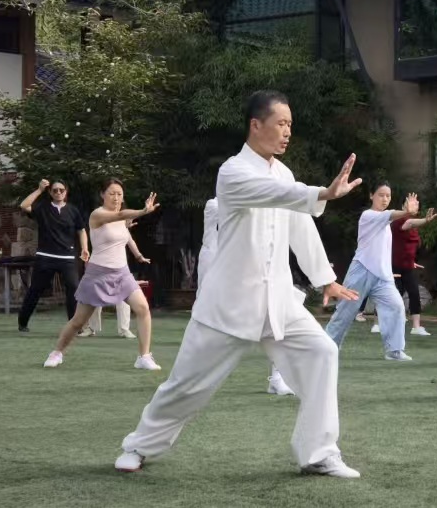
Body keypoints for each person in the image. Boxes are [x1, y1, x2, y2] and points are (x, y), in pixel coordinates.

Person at [116, 90, 362, 479]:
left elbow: (300, 225)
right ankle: (138, 446)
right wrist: (322, 193)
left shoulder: (284, 174)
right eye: (281, 124)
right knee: (186, 387)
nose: (287, 132)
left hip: (278, 303)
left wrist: (325, 279)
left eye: (290, 125)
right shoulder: (232, 173)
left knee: (322, 353)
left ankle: (318, 453)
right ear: (255, 125)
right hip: (227, 306)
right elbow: (275, 195)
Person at [43, 180, 160, 370]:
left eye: (119, 194)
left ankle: (144, 356)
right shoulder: (97, 215)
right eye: (112, 193)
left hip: (122, 273)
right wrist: (144, 211)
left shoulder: (122, 218)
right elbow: (120, 214)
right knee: (78, 321)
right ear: (102, 195)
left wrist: (138, 255)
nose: (116, 198)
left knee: (143, 308)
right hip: (98, 274)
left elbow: (126, 236)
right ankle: (57, 353)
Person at [198, 197, 295, 396]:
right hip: (217, 265)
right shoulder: (215, 204)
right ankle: (198, 376)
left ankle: (277, 378)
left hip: (247, 268)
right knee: (207, 323)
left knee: (275, 318)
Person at [323, 185, 422, 361]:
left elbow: (392, 224)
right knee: (345, 312)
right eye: (381, 195)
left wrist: (411, 215)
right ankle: (326, 348)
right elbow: (390, 215)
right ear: (371, 195)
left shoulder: (387, 223)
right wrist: (407, 212)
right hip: (361, 271)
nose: (385, 199)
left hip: (383, 276)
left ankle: (394, 350)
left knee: (396, 307)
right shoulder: (368, 215)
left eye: (388, 196)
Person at [17, 179, 89, 333]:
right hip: (45, 256)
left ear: (66, 192)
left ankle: (74, 326)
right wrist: (39, 190)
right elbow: (24, 205)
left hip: (67, 257)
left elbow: (81, 230)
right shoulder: (42, 208)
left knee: (73, 288)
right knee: (35, 290)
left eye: (61, 190)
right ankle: (22, 322)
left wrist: (85, 248)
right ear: (50, 192)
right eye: (55, 190)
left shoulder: (73, 210)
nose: (58, 192)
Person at [84, 231, 150, 338]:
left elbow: (130, 241)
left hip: (119, 266)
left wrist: (139, 256)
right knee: (95, 295)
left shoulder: (122, 228)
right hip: (101, 265)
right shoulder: (101, 227)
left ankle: (124, 329)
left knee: (124, 295)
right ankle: (91, 328)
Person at [391, 205, 437, 336]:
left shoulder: (414, 228)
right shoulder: (398, 222)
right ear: (403, 207)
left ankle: (416, 326)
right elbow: (409, 223)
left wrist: (411, 261)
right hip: (394, 266)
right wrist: (426, 220)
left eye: (416, 205)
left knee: (414, 294)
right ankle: (379, 323)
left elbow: (406, 247)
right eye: (410, 204)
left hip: (408, 267)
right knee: (393, 295)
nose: (414, 207)